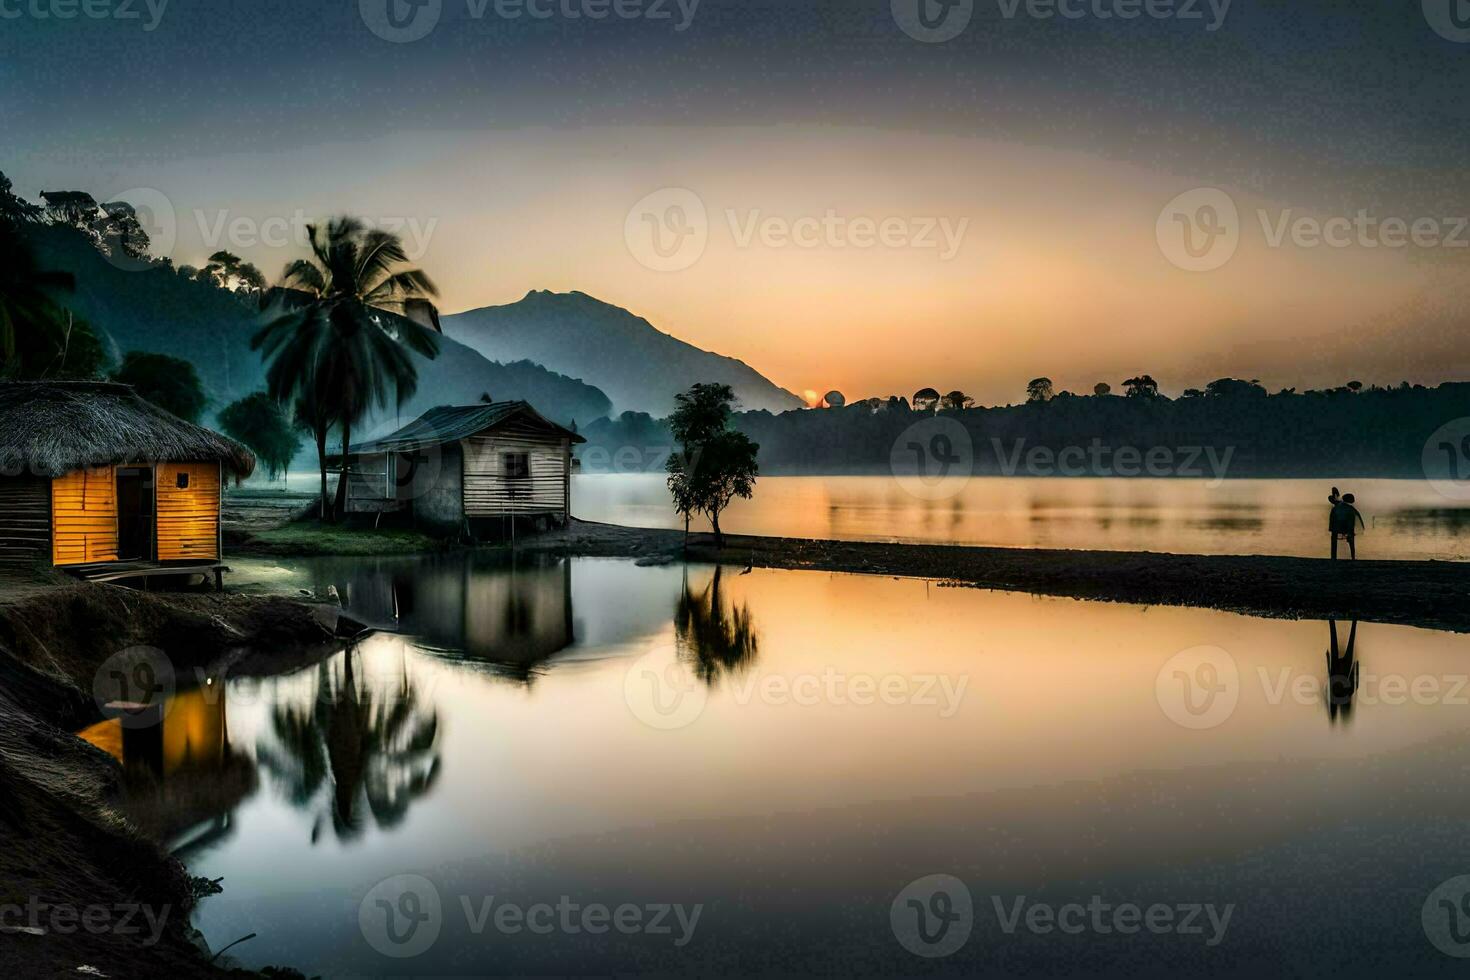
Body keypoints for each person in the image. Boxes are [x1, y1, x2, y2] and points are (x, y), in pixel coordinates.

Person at [1329, 491, 1365, 559]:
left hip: (1335, 528)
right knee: (1351, 540)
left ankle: (1333, 557)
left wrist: (1332, 528)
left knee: (1335, 540)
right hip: (1346, 528)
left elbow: (1332, 519)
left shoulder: (1337, 507)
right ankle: (1353, 557)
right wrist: (1350, 531)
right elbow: (1352, 521)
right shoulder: (1350, 509)